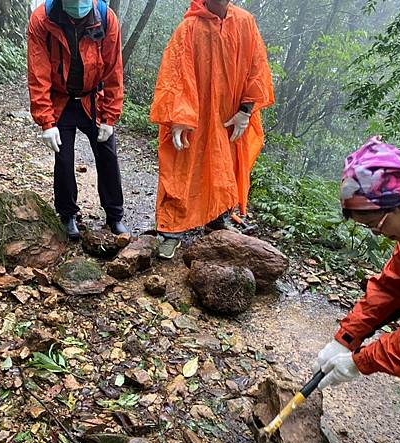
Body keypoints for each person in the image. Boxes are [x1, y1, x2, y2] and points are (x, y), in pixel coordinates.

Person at [149, 0, 274, 259]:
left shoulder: (245, 22)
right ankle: (171, 230)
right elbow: (175, 75)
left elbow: (257, 67)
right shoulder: (189, 28)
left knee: (222, 168)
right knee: (181, 169)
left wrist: (246, 110)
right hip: (193, 117)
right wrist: (179, 117)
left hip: (228, 117)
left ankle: (217, 219)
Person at [314, 136, 400, 390]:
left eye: (376, 225)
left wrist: (362, 361)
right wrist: (345, 339)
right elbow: (394, 287)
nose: (378, 234)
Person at [27, 0, 128, 240]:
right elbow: (38, 73)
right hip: (61, 99)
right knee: (63, 158)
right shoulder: (43, 19)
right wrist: (46, 122)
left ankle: (115, 215)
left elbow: (114, 70)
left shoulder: (105, 17)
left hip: (93, 99)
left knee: (107, 153)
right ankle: (67, 214)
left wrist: (110, 117)